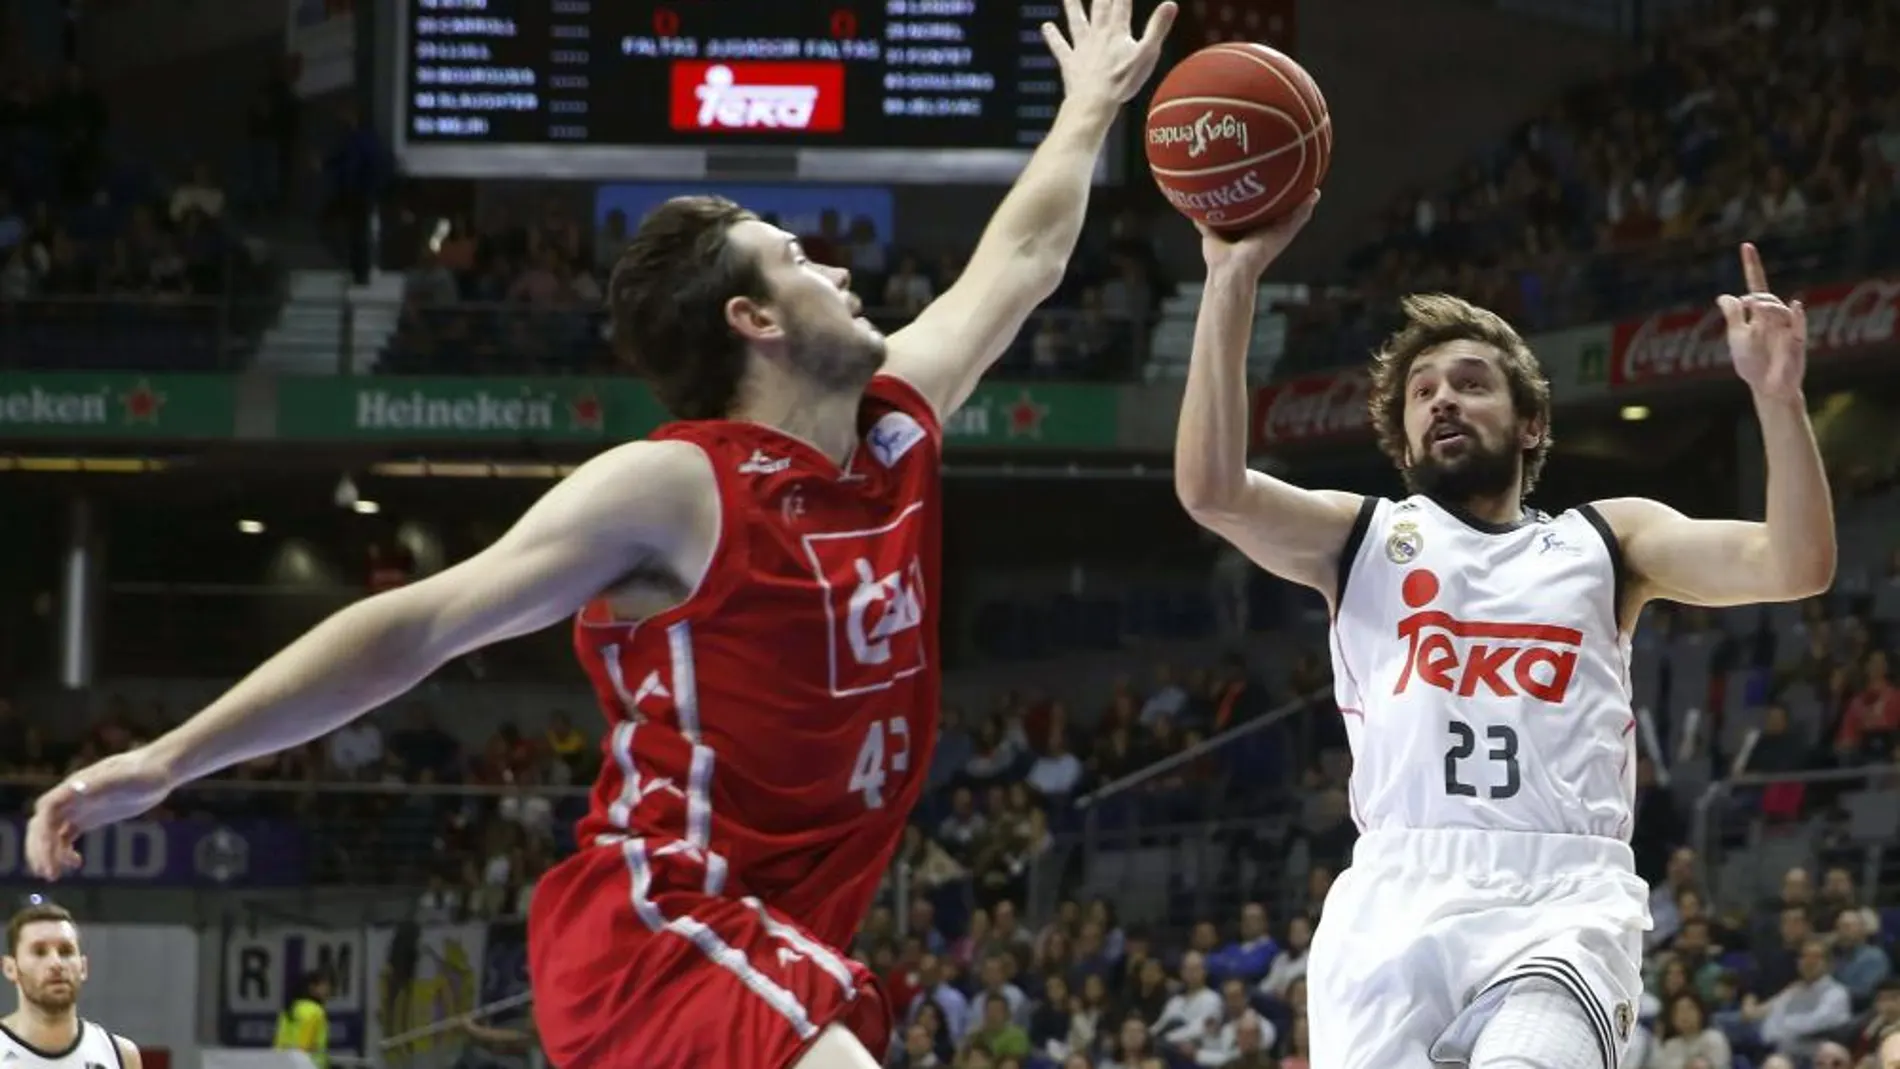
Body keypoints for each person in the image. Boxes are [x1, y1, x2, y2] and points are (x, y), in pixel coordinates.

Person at [21, 3, 1177, 1068]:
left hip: (772, 935)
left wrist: (1089, 106)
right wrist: (170, 759)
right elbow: (419, 623)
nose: (835, 266)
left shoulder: (894, 427)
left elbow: (1020, 262)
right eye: (795, 258)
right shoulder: (674, 485)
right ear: (753, 320)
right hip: (660, 927)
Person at [1175, 202, 1835, 1069]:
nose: (1443, 397)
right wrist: (1230, 279)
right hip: (1395, 899)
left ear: (1529, 425)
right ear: (1404, 438)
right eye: (1423, 392)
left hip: (1558, 897)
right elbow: (1213, 488)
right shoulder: (1361, 537)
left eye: (1472, 382)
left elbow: (1795, 563)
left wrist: (1778, 401)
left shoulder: (1607, 540)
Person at [0, 902, 143, 1069]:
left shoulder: (121, 1054)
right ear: (10, 968)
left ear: (83, 967)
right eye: (39, 952)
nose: (56, 963)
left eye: (65, 951)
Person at [274, 969, 332, 1068]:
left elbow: (279, 1041)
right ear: (312, 988)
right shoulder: (315, 1012)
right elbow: (305, 1046)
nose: (328, 990)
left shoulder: (289, 1010)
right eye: (323, 986)